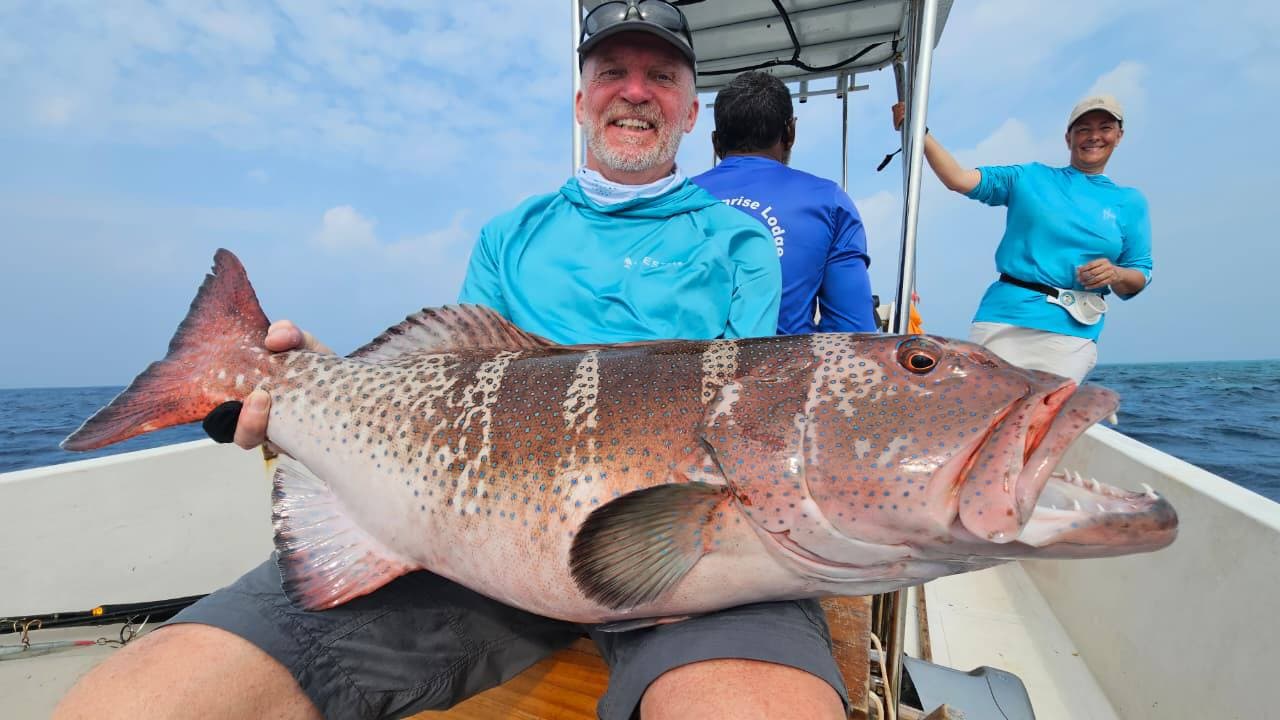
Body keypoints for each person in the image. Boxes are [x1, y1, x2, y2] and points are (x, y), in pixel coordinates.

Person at [55, 4, 849, 720]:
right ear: (581, 101)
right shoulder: (510, 235)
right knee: (147, 695)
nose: (635, 92)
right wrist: (322, 381)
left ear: (691, 110)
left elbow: (749, 410)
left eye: (661, 77)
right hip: (474, 542)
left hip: (694, 551)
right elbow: (461, 379)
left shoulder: (740, 241)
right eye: (613, 72)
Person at [891, 94, 1152, 383]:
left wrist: (1116, 273)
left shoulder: (1130, 202)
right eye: (1083, 129)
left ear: (1119, 135)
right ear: (1068, 138)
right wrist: (920, 131)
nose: (1094, 136)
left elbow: (1140, 272)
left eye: (1105, 128)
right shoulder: (1028, 176)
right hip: (1003, 319)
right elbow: (958, 179)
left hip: (1073, 334)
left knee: (1047, 408)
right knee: (982, 401)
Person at [694, 70, 878, 335]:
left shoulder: (674, 200)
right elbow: (852, 332)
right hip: (786, 362)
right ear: (790, 132)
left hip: (683, 362)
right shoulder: (828, 201)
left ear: (715, 141)